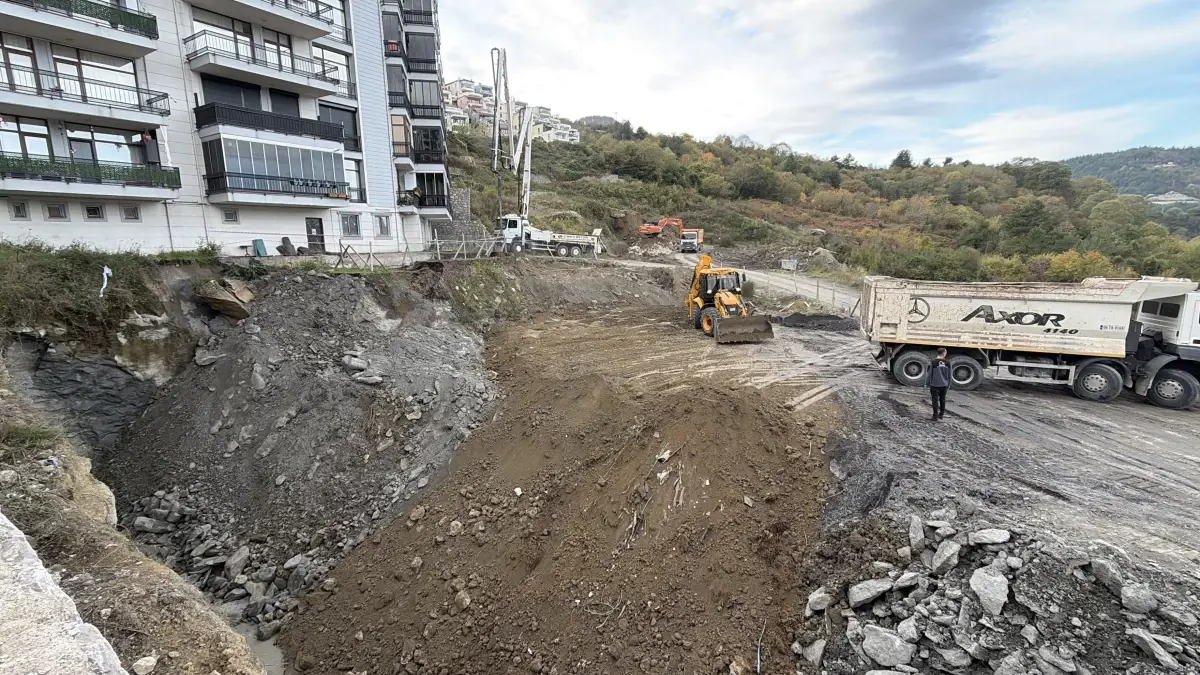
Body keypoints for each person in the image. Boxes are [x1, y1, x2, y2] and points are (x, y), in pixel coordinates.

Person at [928, 348, 950, 421]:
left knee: (935, 400)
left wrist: (927, 383)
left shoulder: (933, 362)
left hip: (935, 384)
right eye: (946, 352)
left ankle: (935, 416)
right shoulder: (948, 362)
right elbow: (950, 374)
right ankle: (941, 415)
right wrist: (949, 384)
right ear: (943, 353)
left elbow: (929, 374)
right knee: (942, 399)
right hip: (944, 385)